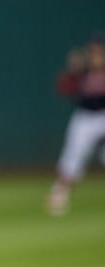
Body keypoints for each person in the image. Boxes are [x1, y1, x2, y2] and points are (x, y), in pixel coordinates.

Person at [46, 32, 105, 216]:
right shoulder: (82, 68)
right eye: (92, 49)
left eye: (98, 49)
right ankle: (60, 195)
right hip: (85, 117)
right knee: (72, 156)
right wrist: (72, 71)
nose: (95, 53)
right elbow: (64, 88)